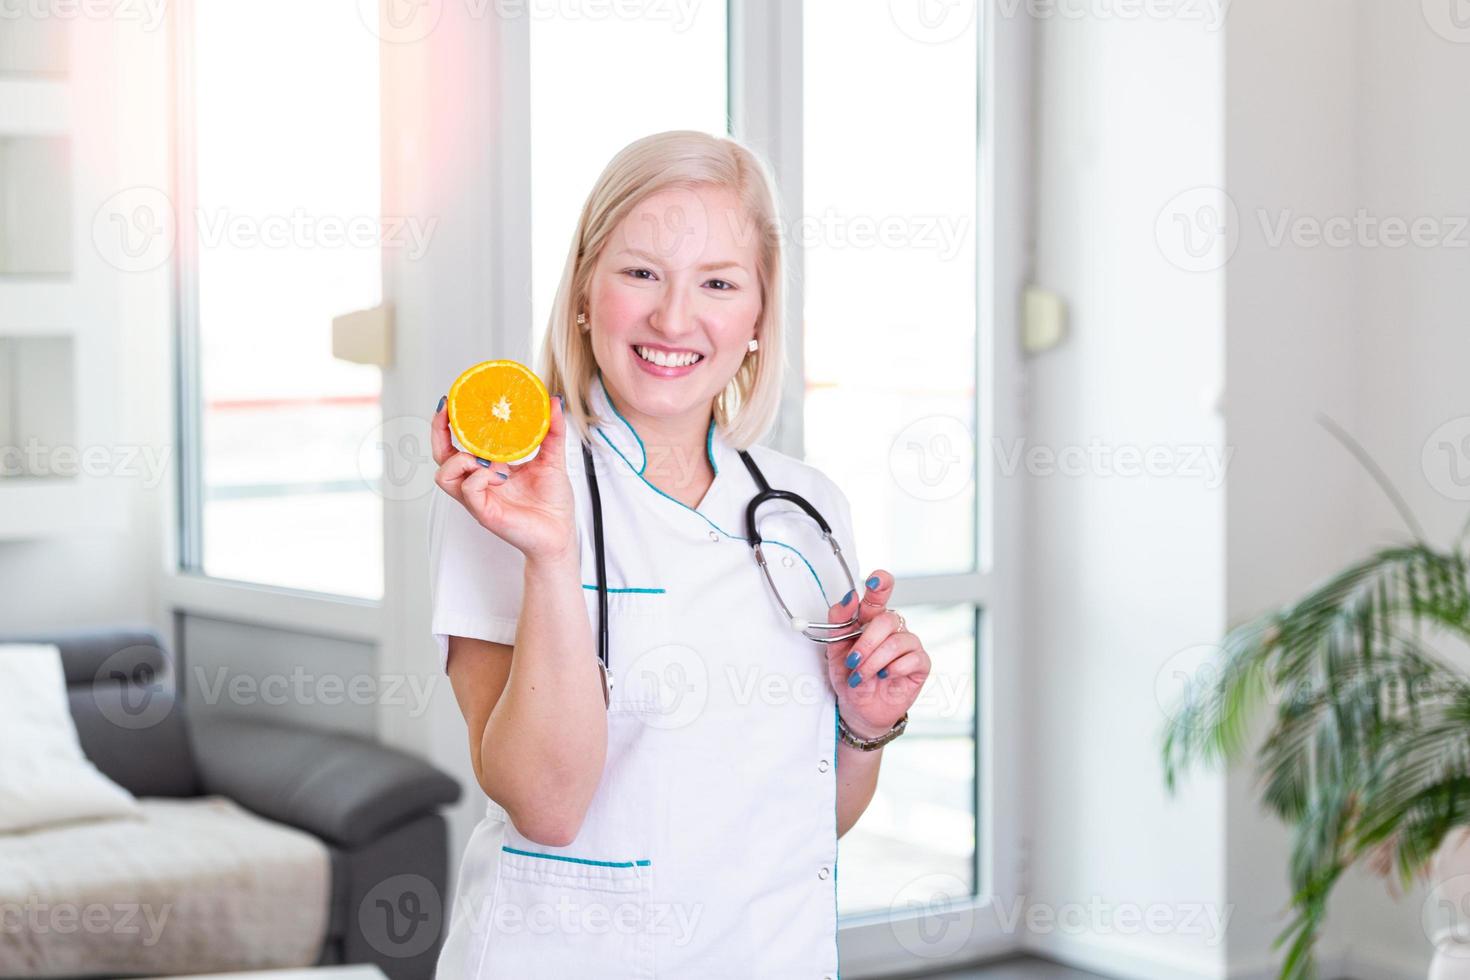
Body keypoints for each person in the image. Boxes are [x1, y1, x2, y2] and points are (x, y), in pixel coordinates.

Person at [426, 129, 931, 978]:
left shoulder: (807, 511)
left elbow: (807, 817)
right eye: (641, 272)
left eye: (719, 283)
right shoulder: (505, 495)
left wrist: (866, 726)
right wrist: (553, 556)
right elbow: (547, 807)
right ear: (586, 289)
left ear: (759, 316)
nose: (673, 318)